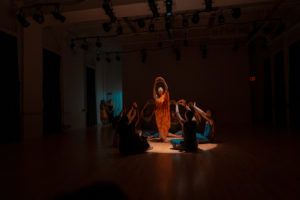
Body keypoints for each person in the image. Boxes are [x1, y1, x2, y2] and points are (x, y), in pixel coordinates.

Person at [153, 77, 170, 142]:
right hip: (159, 114)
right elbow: (154, 94)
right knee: (160, 127)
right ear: (158, 91)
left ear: (162, 91)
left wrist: (163, 81)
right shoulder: (157, 98)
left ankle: (163, 137)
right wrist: (155, 84)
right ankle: (162, 137)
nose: (159, 89)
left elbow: (167, 89)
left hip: (164, 113)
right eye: (158, 89)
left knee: (164, 126)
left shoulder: (165, 95)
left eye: (161, 89)